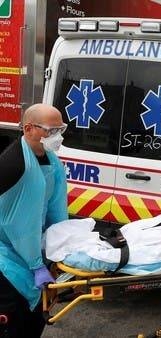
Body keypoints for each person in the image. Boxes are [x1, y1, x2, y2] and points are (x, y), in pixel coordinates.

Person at [0, 104, 68, 338]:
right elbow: (21, 226)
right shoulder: (16, 165)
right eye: (51, 130)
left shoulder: (52, 161)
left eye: (60, 129)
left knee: (35, 320)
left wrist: (62, 248)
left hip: (31, 252)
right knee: (13, 323)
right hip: (7, 256)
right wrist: (37, 264)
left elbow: (57, 209)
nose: (57, 136)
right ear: (28, 129)